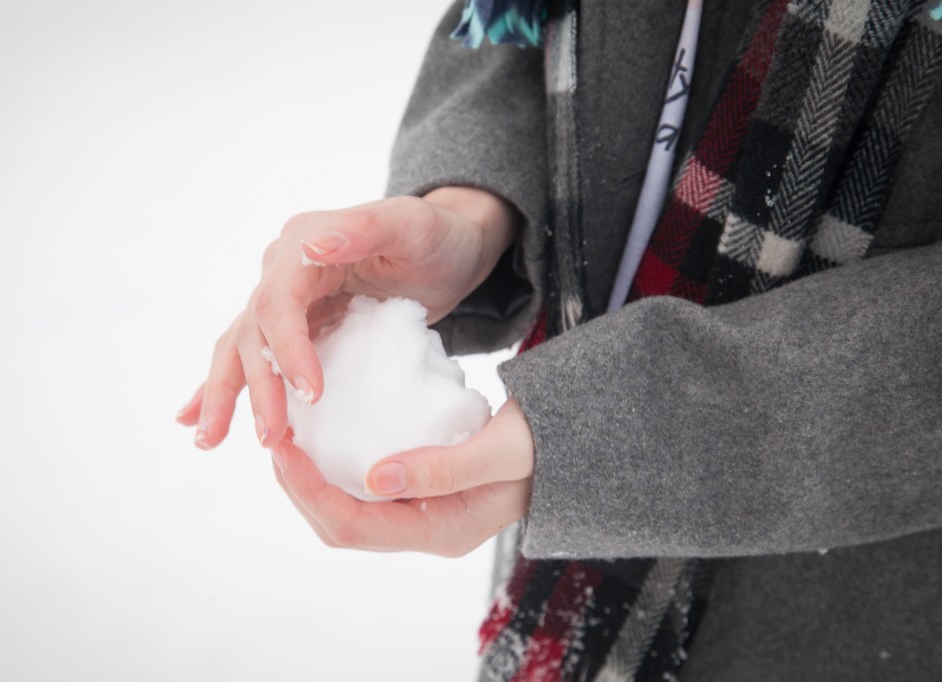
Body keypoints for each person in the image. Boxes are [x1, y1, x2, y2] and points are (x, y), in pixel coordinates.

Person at [178, 0, 942, 679]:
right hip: (570, 550)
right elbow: (521, 26)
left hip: (859, 604)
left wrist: (615, 430)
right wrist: (468, 211)